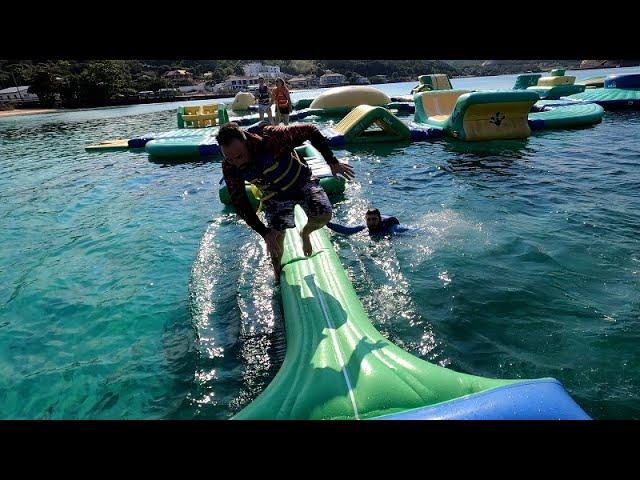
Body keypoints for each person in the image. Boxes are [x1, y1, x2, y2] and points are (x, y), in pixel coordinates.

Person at [217, 122, 355, 280]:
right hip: (275, 196)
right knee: (274, 242)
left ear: (246, 142)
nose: (237, 163)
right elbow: (240, 202)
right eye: (230, 158)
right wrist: (265, 233)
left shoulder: (271, 137)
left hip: (302, 183)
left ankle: (306, 232)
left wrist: (332, 162)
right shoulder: (230, 167)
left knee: (324, 214)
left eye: (239, 156)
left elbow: (311, 130)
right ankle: (277, 276)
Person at [327, 208, 409, 236]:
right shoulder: (364, 227)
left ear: (379, 219)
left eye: (374, 219)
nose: (371, 222)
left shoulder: (391, 227)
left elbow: (410, 230)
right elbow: (347, 230)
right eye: (369, 219)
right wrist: (327, 223)